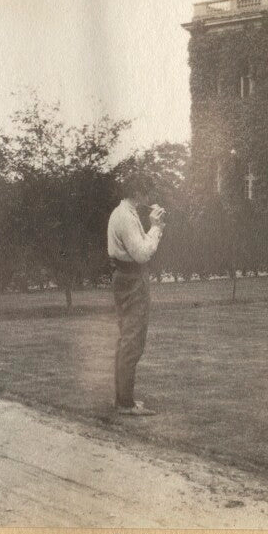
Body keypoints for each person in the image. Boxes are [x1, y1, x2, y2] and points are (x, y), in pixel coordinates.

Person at [107, 175, 166, 415]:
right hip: (132, 278)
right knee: (133, 340)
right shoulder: (125, 217)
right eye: (147, 193)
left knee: (128, 339)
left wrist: (152, 228)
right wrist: (157, 227)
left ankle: (124, 398)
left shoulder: (124, 213)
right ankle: (125, 403)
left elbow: (139, 248)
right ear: (139, 193)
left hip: (126, 276)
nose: (149, 198)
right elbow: (142, 254)